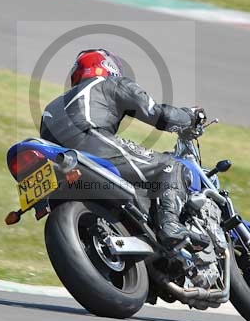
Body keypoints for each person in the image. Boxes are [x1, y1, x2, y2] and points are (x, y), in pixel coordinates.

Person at [40, 48, 210, 251]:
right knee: (171, 165)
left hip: (63, 163)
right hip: (93, 142)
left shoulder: (52, 105)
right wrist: (190, 117)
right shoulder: (112, 83)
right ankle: (170, 224)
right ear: (108, 67)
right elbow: (159, 115)